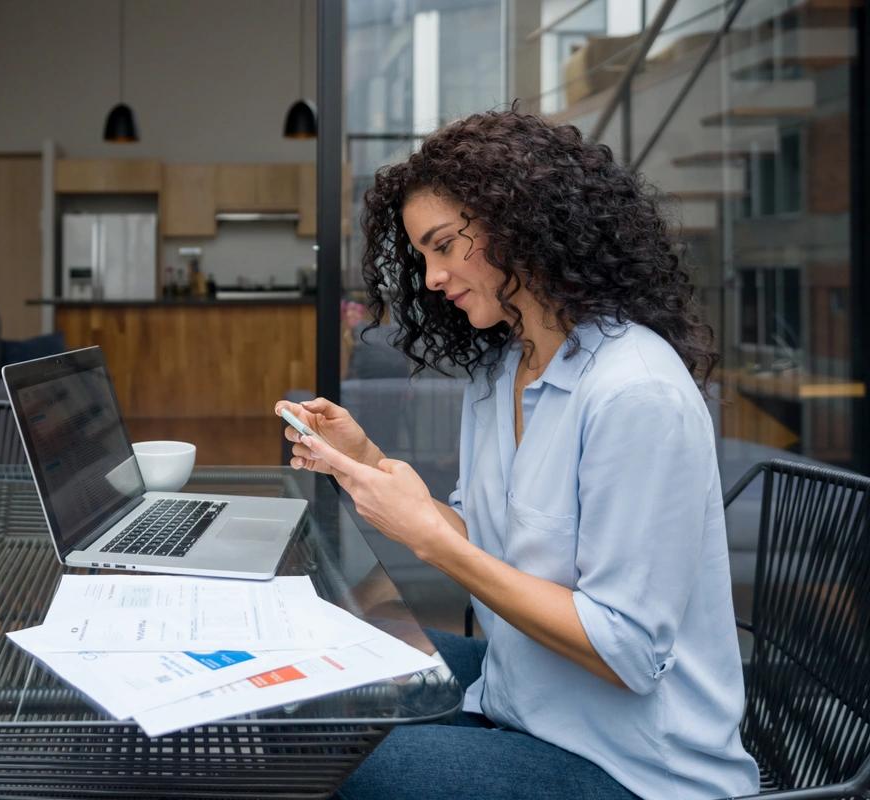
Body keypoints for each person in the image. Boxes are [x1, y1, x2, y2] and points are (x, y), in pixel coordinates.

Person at [275, 110, 760, 800]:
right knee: (325, 670)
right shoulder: (505, 370)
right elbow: (490, 543)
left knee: (335, 760)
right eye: (422, 258)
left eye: (444, 246)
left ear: (520, 222)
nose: (434, 277)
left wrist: (430, 541)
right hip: (524, 700)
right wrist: (373, 464)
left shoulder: (634, 392)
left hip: (636, 768)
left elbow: (626, 651)